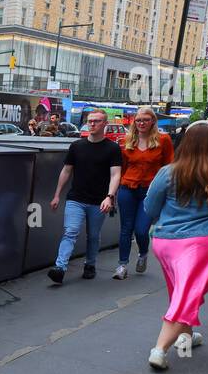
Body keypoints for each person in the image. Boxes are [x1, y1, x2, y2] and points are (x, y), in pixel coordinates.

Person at [143, 122, 208, 371]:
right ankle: (159, 349)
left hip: (166, 242)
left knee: (182, 291)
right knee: (188, 293)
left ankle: (186, 338)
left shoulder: (168, 172)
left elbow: (150, 208)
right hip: (207, 243)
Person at [48, 109, 122, 284]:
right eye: (90, 121)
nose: (92, 124)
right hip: (76, 198)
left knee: (93, 236)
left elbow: (115, 175)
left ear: (105, 124)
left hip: (99, 201)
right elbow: (66, 170)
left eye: (97, 121)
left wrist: (109, 197)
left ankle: (90, 264)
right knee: (70, 231)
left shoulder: (112, 148)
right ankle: (60, 267)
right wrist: (57, 195)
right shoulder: (77, 146)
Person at [114, 106, 174, 280]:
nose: (141, 123)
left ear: (153, 121)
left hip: (150, 191)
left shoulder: (163, 140)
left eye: (145, 120)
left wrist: (168, 192)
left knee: (141, 230)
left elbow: (169, 167)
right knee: (126, 228)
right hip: (127, 188)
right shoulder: (127, 141)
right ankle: (122, 265)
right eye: (138, 120)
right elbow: (121, 168)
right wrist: (114, 192)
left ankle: (143, 253)